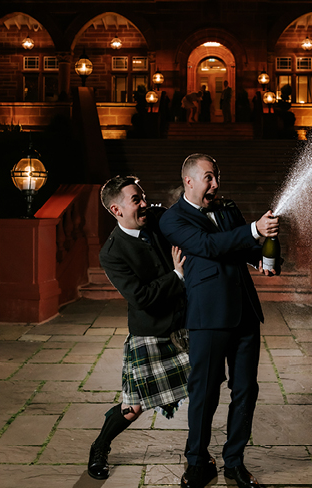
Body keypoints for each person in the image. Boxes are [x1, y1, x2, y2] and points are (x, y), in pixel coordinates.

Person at [159, 154, 279, 488]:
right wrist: (254, 230)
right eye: (209, 178)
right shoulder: (173, 220)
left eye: (217, 177)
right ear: (189, 181)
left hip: (244, 314)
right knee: (205, 393)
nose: (215, 184)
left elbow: (247, 248)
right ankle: (197, 461)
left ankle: (234, 461)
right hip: (208, 317)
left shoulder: (227, 208)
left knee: (245, 390)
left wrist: (265, 253)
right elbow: (209, 246)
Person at [87, 176, 191, 480]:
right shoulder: (112, 253)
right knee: (133, 407)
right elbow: (141, 297)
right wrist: (177, 275)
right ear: (117, 210)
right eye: (137, 200)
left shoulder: (157, 219)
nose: (145, 204)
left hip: (187, 323)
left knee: (205, 389)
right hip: (151, 332)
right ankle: (100, 446)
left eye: (143, 196)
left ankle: (197, 455)